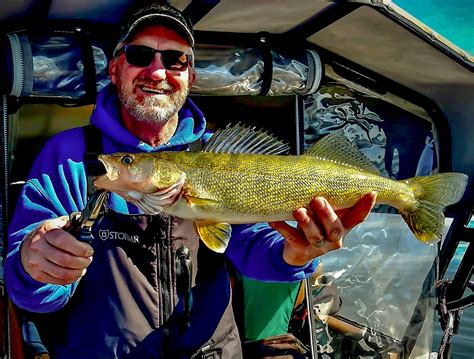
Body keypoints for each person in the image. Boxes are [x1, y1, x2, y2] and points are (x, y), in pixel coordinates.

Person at [5, 2, 376, 358]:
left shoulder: (219, 154)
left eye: (175, 59)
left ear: (190, 78)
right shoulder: (71, 155)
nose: (157, 71)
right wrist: (34, 264)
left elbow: (253, 250)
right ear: (116, 69)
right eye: (139, 56)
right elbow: (32, 293)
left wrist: (296, 253)